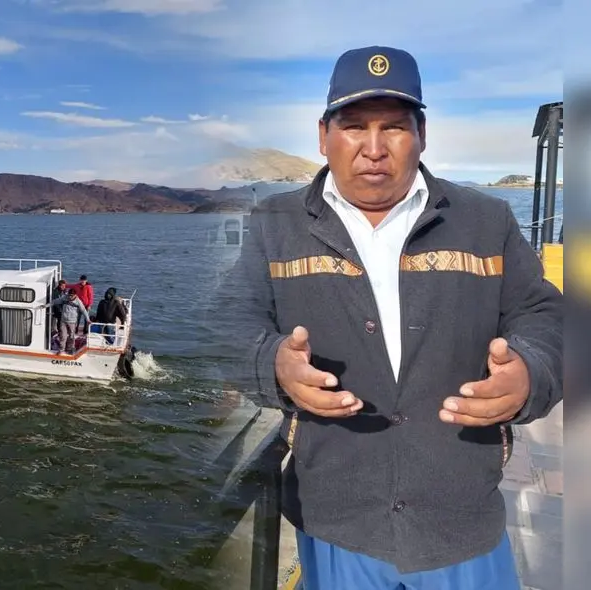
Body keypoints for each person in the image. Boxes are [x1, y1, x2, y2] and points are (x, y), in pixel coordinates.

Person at [213, 45, 563, 589]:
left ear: (422, 133)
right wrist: (273, 365)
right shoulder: (273, 223)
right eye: (353, 126)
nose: (373, 149)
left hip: (461, 520)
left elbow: (547, 316)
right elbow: (229, 324)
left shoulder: (485, 219)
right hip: (335, 520)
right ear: (323, 134)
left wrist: (531, 373)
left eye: (394, 128)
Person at [44, 288, 90, 355]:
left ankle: (70, 349)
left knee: (71, 336)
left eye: (71, 295)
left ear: (75, 295)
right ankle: (61, 349)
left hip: (72, 322)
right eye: (69, 295)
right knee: (63, 336)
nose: (70, 296)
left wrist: (88, 319)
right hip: (63, 321)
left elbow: (83, 311)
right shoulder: (64, 298)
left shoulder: (78, 302)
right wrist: (45, 306)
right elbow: (55, 302)